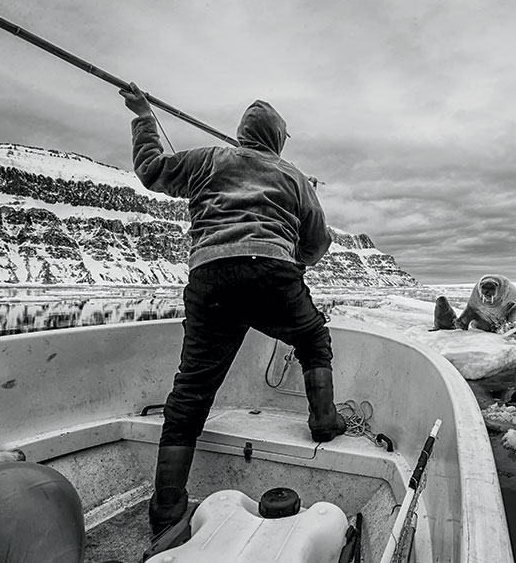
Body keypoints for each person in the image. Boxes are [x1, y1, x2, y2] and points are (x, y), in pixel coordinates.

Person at [120, 83, 347, 538]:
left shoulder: (208, 160)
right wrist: (291, 261)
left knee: (193, 387)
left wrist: (145, 116)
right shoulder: (293, 177)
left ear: (242, 132)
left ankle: (167, 506)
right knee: (311, 338)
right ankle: (323, 420)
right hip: (273, 273)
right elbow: (318, 243)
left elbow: (150, 169)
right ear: (278, 140)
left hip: (212, 275)